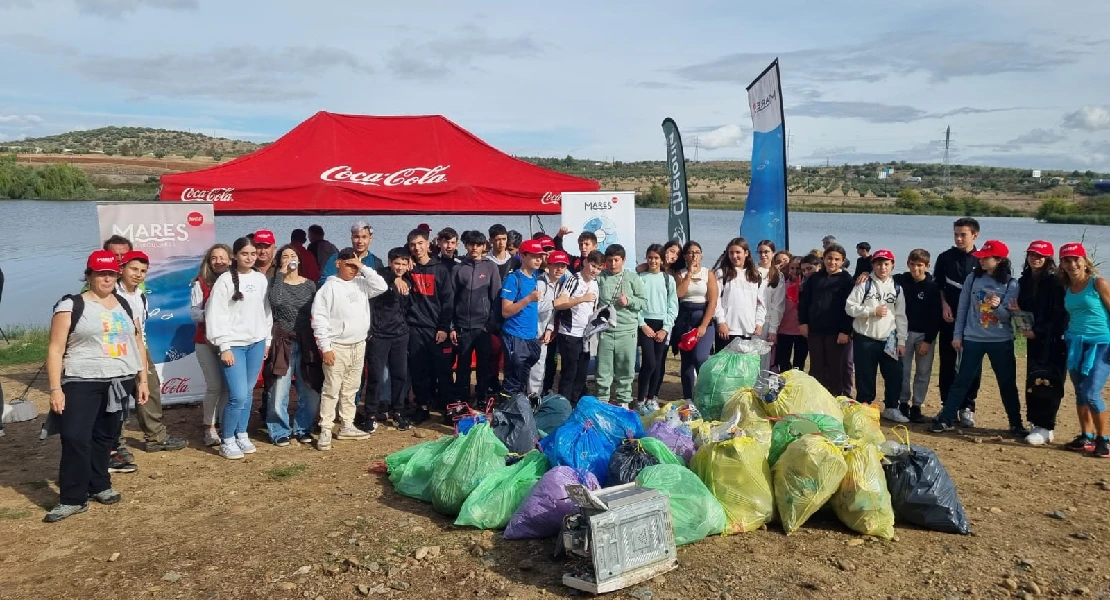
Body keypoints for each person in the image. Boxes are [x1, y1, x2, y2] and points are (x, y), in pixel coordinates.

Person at [43, 250, 149, 522]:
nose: (107, 278)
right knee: (76, 437)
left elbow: (137, 342)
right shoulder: (71, 305)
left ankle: (99, 485)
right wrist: (55, 388)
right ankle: (72, 498)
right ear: (88, 275)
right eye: (101, 273)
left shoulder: (125, 304)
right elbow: (55, 349)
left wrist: (142, 378)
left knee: (105, 437)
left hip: (120, 380)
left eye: (112, 273)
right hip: (82, 379)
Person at [931, 240, 1026, 436]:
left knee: (1006, 382)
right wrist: (958, 335)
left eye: (986, 258)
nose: (981, 261)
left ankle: (1016, 424)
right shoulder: (972, 278)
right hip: (973, 338)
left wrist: (996, 306)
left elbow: (1008, 317)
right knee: (962, 380)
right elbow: (963, 308)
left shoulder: (1011, 283)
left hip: (1001, 341)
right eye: (980, 257)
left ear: (999, 260)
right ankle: (946, 418)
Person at [205, 237, 273, 460]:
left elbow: (266, 312)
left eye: (253, 254)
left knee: (249, 392)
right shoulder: (225, 281)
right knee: (237, 395)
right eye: (245, 254)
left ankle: (241, 433)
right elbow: (215, 314)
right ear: (235, 256)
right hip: (233, 345)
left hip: (256, 343)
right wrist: (224, 346)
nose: (250, 258)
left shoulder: (260, 279)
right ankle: (227, 440)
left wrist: (267, 340)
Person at [312, 248, 388, 447]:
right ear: (338, 264)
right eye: (349, 265)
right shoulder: (328, 288)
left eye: (356, 266)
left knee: (351, 388)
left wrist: (363, 266)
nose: (353, 270)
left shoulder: (361, 284)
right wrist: (325, 347)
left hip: (359, 344)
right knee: (331, 389)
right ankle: (326, 428)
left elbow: (381, 286)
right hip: (337, 346)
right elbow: (319, 319)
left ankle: (347, 424)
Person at [113, 250, 186, 454]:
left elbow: (141, 328)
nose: (138, 274)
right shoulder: (111, 295)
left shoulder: (140, 295)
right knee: (117, 398)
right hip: (116, 353)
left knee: (150, 391)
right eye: (133, 269)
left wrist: (142, 352)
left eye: (143, 271)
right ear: (122, 269)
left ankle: (156, 438)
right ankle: (115, 443)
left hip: (140, 349)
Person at [1057, 243, 1110, 457]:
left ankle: (1103, 439)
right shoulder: (1067, 286)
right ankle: (1086, 437)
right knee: (1080, 391)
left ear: (1084, 260)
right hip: (1076, 343)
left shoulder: (1098, 283)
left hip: (1101, 344)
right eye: (1066, 260)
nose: (1072, 264)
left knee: (1091, 392)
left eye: (1075, 259)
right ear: (1061, 264)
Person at [263, 246, 320, 447]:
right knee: (279, 387)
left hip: (306, 340)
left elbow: (319, 311)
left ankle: (304, 428)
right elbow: (275, 302)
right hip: (282, 339)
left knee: (310, 388)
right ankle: (279, 430)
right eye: (285, 256)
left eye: (293, 256)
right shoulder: (275, 283)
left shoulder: (310, 285)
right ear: (278, 262)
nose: (289, 259)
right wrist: (280, 274)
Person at [845, 249, 907, 422]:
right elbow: (849, 307)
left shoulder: (897, 288)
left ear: (892, 266)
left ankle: (892, 408)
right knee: (865, 375)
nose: (882, 267)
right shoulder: (863, 284)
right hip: (865, 338)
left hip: (890, 339)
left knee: (894, 374)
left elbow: (901, 316)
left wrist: (901, 340)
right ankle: (865, 406)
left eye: (886, 264)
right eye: (878, 263)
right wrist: (872, 311)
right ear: (873, 265)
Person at [1016, 241, 1068, 446]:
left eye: (1040, 255)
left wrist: (1037, 331)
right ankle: (1036, 422)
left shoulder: (1055, 282)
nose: (1035, 258)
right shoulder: (1025, 280)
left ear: (1048, 259)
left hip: (1053, 340)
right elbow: (1026, 309)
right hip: (1034, 339)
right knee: (1033, 380)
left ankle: (1046, 425)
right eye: (1031, 254)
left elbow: (1060, 315)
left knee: (1051, 382)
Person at [934, 217, 982, 427]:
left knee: (972, 364)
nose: (959, 238)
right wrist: (944, 306)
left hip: (974, 322)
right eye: (956, 234)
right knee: (947, 362)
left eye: (963, 234)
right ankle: (948, 406)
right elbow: (939, 287)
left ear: (974, 235)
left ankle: (968, 407)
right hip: (949, 319)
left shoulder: (983, 260)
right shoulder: (945, 258)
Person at [407, 228, 455, 422]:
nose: (417, 248)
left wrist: (444, 327)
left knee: (443, 371)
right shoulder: (408, 268)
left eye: (420, 244)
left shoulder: (441, 269)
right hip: (415, 327)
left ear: (428, 244)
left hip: (437, 329)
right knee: (419, 370)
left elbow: (448, 301)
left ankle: (449, 408)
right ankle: (422, 406)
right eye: (412, 245)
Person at [365, 247, 414, 431]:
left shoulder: (409, 279)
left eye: (403, 264)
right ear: (390, 262)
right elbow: (380, 279)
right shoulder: (381, 275)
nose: (400, 267)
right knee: (376, 376)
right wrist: (395, 278)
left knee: (400, 374)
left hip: (401, 334)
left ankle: (398, 412)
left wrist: (402, 278)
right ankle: (370, 413)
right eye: (396, 263)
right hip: (379, 334)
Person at [451, 231, 501, 406]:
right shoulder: (458, 268)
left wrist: (491, 325)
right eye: (471, 244)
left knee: (483, 366)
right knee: (462, 366)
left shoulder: (491, 267)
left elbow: (496, 298)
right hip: (463, 326)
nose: (474, 248)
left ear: (484, 247)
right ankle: (462, 399)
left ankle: (481, 398)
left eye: (478, 245)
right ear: (466, 246)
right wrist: (453, 326)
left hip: (483, 327)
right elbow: (452, 299)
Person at [893, 249, 942, 423]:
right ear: (908, 264)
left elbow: (936, 316)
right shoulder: (900, 280)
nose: (916, 269)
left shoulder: (932, 287)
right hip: (904, 334)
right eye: (912, 265)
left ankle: (917, 405)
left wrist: (928, 340)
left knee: (923, 372)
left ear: (927, 266)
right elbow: (879, 276)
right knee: (904, 370)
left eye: (920, 265)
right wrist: (864, 274)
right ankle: (903, 403)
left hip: (924, 336)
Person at [190, 243, 232, 447]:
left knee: (227, 387)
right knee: (214, 386)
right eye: (214, 258)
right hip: (205, 341)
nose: (219, 261)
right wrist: (214, 313)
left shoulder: (236, 281)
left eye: (222, 257)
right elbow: (194, 313)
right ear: (209, 261)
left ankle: (225, 424)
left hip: (230, 342)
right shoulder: (200, 282)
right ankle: (209, 427)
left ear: (231, 260)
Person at [595, 244, 647, 407]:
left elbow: (644, 302)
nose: (612, 264)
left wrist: (629, 301)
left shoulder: (632, 278)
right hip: (605, 331)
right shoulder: (600, 278)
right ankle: (602, 400)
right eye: (609, 260)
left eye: (616, 260)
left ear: (623, 260)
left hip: (627, 331)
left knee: (625, 368)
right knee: (603, 368)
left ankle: (624, 401)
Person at [798, 243, 854, 396]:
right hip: (815, 330)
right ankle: (816, 397)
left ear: (843, 261)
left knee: (835, 367)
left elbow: (850, 308)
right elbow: (804, 302)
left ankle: (836, 397)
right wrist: (803, 322)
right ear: (823, 259)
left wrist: (845, 331)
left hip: (836, 333)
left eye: (837, 259)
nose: (832, 262)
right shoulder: (815, 278)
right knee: (817, 366)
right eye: (829, 258)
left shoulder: (847, 280)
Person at [553, 250, 602, 404]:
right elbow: (559, 304)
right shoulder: (574, 280)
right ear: (585, 262)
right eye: (593, 266)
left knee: (582, 374)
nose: (594, 271)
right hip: (569, 333)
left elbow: (593, 308)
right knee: (569, 373)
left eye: (599, 268)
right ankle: (563, 406)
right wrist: (581, 299)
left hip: (586, 335)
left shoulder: (595, 283)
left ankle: (574, 404)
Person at [500, 239, 546, 396]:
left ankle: (519, 410)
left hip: (530, 337)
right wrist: (528, 299)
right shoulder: (513, 279)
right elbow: (505, 311)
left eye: (541, 256)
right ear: (523, 256)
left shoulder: (535, 278)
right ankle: (506, 414)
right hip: (515, 336)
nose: (539, 259)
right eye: (535, 256)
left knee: (522, 379)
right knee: (512, 380)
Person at [675, 241, 719, 400]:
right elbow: (679, 294)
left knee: (700, 358)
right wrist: (688, 275)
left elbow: (713, 301)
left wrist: (703, 325)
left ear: (701, 255)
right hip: (685, 318)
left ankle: (706, 394)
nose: (694, 255)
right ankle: (688, 398)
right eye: (690, 252)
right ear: (685, 256)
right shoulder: (679, 274)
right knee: (686, 361)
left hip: (703, 318)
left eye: (697, 252)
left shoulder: (708, 274)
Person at [637, 244, 678, 406]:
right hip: (645, 324)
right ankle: (640, 399)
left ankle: (651, 398)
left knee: (658, 364)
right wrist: (642, 324)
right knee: (649, 362)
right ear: (646, 258)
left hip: (662, 325)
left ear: (662, 260)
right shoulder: (640, 278)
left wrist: (666, 328)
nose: (653, 261)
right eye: (650, 257)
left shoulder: (668, 279)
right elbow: (636, 305)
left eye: (656, 258)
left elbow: (672, 306)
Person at [713, 238, 766, 351]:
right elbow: (715, 300)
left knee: (743, 367)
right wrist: (721, 322)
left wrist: (759, 322)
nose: (734, 256)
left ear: (746, 253)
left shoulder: (755, 275)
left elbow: (761, 303)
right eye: (731, 253)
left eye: (738, 252)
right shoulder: (722, 273)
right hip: (727, 329)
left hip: (747, 329)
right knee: (725, 366)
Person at [530, 250, 568, 396]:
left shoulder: (558, 284)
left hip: (543, 333)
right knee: (533, 369)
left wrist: (550, 328)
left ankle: (535, 399)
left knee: (540, 369)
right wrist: (554, 302)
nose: (559, 269)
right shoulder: (541, 282)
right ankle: (531, 399)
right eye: (556, 265)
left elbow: (553, 312)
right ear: (549, 266)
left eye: (563, 266)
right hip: (531, 333)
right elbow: (535, 307)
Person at [317, 221, 384, 285]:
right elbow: (322, 283)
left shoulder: (376, 262)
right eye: (356, 237)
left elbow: (381, 288)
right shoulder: (337, 258)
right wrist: (344, 278)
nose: (360, 241)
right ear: (351, 238)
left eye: (364, 237)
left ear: (370, 238)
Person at [755, 240, 786, 371]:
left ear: (773, 253)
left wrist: (773, 329)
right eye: (760, 252)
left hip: (766, 322)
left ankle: (760, 388)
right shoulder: (751, 271)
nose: (763, 255)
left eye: (766, 252)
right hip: (748, 320)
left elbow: (778, 304)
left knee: (763, 359)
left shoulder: (777, 275)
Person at [774, 256, 807, 372]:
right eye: (792, 268)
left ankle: (797, 386)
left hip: (801, 331)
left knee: (799, 363)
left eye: (798, 268)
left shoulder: (807, 285)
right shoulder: (783, 284)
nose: (795, 271)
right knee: (783, 362)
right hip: (784, 329)